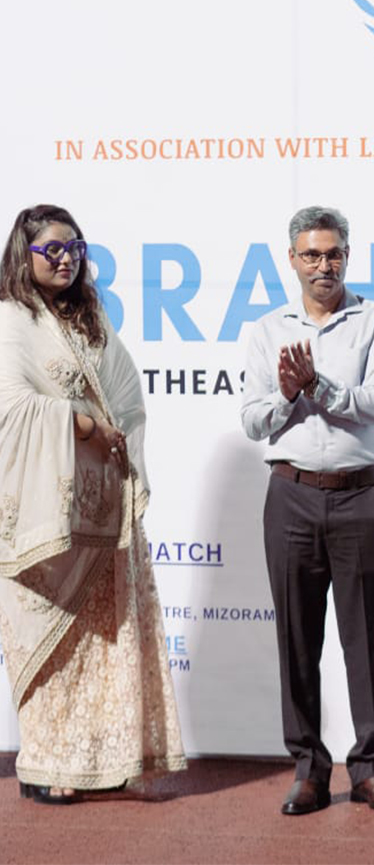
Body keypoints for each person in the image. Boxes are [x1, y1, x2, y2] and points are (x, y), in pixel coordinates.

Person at [0, 204, 186, 803]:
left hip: (103, 510)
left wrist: (113, 433)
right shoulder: (10, 322)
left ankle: (104, 759)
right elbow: (10, 408)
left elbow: (126, 399)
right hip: (43, 516)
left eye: (74, 249)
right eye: (51, 249)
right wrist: (79, 425)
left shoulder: (90, 319)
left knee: (102, 642)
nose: (63, 260)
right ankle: (46, 765)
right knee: (49, 639)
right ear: (22, 255)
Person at [240, 206, 374, 816]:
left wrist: (320, 388)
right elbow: (254, 420)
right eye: (311, 255)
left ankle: (370, 768)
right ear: (292, 260)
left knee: (364, 639)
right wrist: (287, 395)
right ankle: (308, 768)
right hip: (290, 494)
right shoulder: (266, 329)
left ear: (347, 257)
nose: (323, 265)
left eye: (333, 253)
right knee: (297, 638)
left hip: (361, 494)